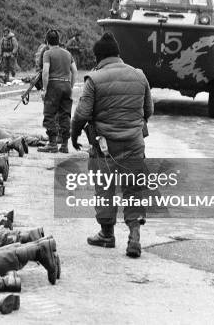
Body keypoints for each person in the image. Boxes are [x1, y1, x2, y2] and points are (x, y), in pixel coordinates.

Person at [71, 32, 153, 258]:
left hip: (104, 147)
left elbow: (82, 114)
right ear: (118, 54)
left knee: (104, 187)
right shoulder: (139, 75)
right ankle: (134, 235)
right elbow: (149, 111)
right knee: (134, 188)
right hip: (135, 146)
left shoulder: (94, 79)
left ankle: (107, 235)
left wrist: (74, 134)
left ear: (98, 57)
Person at [38, 29, 77, 153]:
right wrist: (70, 86)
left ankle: (52, 144)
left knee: (49, 114)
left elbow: (45, 72)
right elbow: (75, 71)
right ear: (59, 40)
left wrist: (45, 89)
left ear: (47, 41)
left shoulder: (47, 53)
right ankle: (65, 145)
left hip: (54, 85)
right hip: (66, 85)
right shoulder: (67, 53)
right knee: (65, 115)